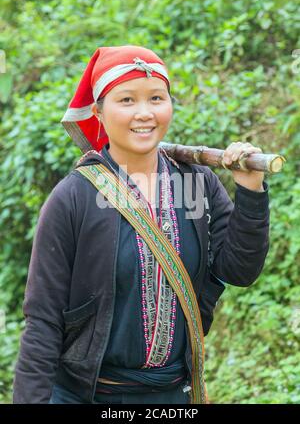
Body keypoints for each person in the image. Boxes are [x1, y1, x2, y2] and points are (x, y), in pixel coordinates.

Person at [13, 45, 269, 404]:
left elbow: (239, 270)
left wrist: (251, 191)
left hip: (173, 395)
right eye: (127, 100)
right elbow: (43, 321)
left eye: (156, 98)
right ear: (99, 112)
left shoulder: (195, 182)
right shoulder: (73, 197)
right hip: (88, 396)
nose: (145, 113)